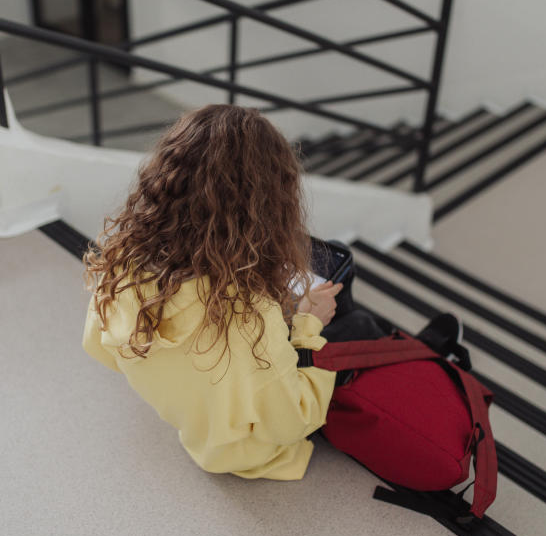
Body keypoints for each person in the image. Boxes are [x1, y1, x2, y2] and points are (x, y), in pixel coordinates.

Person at [80, 104, 462, 482]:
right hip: (245, 451)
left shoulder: (119, 262)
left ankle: (402, 349)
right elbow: (292, 422)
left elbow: (102, 351)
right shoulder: (251, 317)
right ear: (265, 206)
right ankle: (413, 356)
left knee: (328, 288)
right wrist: (308, 325)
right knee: (350, 319)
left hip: (199, 412)